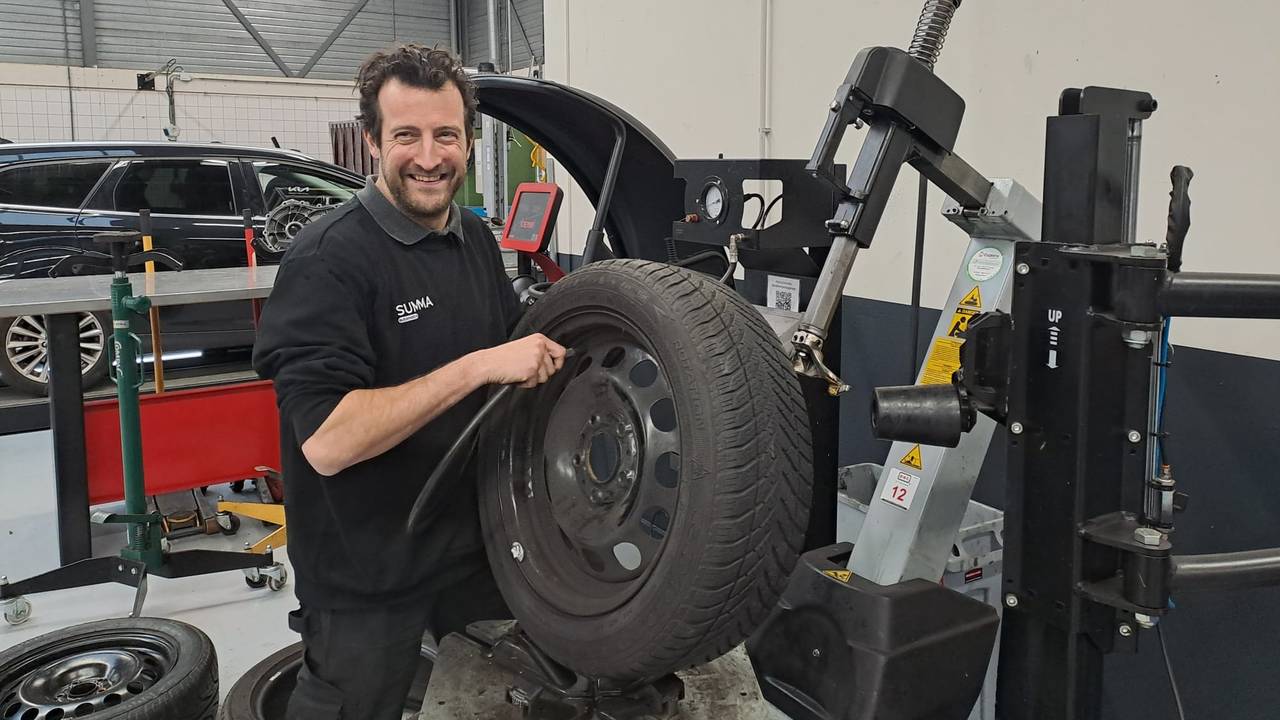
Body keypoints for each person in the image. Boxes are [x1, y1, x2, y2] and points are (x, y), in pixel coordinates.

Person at [252, 44, 567, 719]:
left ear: (468, 141)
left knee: (497, 701)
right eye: (406, 135)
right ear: (372, 142)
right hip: (365, 576)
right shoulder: (328, 260)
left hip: (471, 553)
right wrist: (478, 366)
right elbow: (328, 442)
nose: (429, 156)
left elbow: (519, 365)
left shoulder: (474, 240)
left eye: (446, 135)